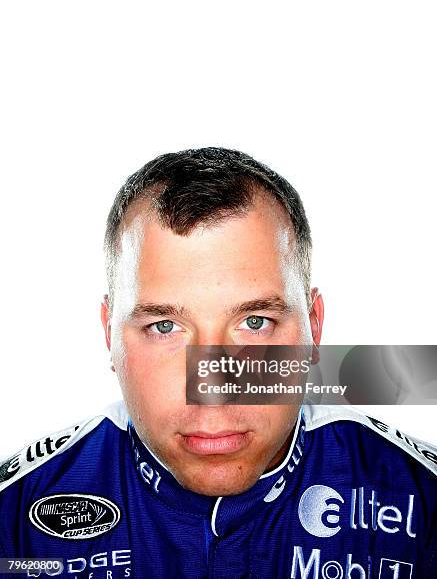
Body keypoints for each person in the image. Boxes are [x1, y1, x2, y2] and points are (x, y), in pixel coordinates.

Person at [0, 147, 436, 578]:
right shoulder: (15, 515)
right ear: (109, 334)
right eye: (164, 327)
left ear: (314, 329)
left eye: (255, 322)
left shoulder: (421, 500)